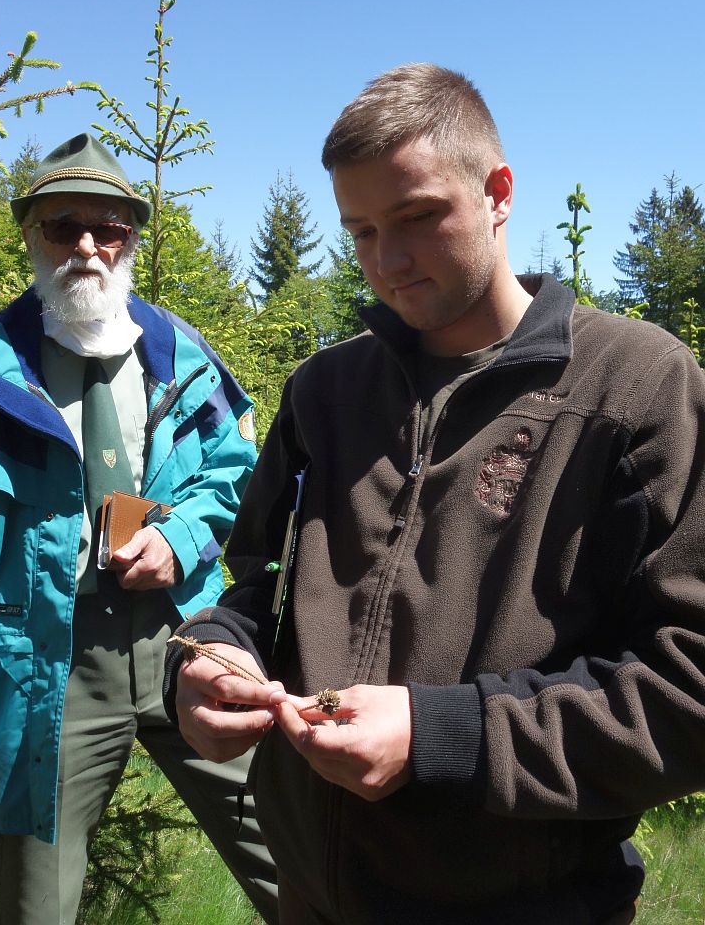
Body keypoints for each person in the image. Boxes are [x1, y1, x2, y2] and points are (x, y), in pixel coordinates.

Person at [164, 64, 705, 924]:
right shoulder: (324, 393)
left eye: (418, 217)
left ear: (498, 193)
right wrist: (213, 655)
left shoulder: (636, 388)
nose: (388, 262)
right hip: (308, 899)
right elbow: (260, 585)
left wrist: (442, 736)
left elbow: (689, 689)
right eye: (362, 231)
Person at [0, 134, 277, 925]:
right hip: (51, 664)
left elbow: (235, 466)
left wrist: (180, 539)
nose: (86, 246)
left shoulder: (181, 354)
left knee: (293, 855)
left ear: (131, 240)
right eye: (62, 226)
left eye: (107, 228)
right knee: (34, 904)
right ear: (31, 236)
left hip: (187, 642)